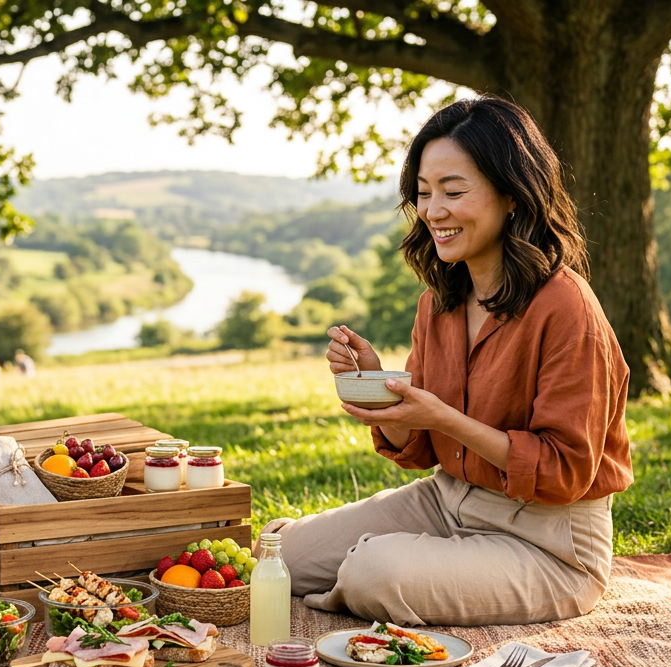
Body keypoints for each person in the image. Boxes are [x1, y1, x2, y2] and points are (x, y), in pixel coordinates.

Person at [261, 96, 632, 628]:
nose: (433, 211)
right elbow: (421, 450)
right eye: (423, 193)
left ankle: (362, 583)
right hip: (447, 500)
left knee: (374, 572)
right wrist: (376, 385)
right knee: (280, 553)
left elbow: (565, 472)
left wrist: (441, 417)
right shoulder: (439, 301)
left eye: (454, 192)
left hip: (549, 543)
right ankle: (392, 567)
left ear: (511, 195)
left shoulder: (566, 308)